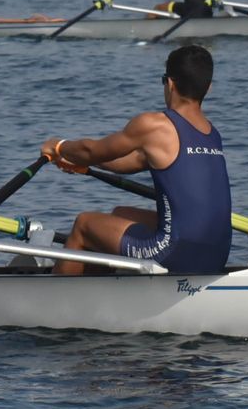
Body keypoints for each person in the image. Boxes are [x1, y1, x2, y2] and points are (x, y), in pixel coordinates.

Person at [40, 44, 231, 276]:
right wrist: (82, 164)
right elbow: (126, 162)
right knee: (121, 214)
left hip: (174, 253)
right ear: (208, 88)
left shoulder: (155, 125)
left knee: (84, 224)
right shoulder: (212, 133)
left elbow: (92, 150)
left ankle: (58, 301)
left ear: (169, 84)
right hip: (217, 253)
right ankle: (103, 290)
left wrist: (59, 146)